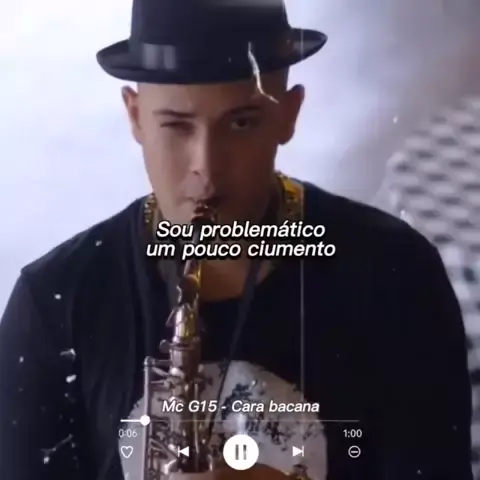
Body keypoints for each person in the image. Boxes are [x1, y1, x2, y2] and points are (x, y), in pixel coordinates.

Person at [0, 0, 473, 479]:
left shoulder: (398, 278)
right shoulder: (53, 308)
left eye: (241, 122)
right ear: (135, 116)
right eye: (176, 125)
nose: (206, 170)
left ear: (289, 114)